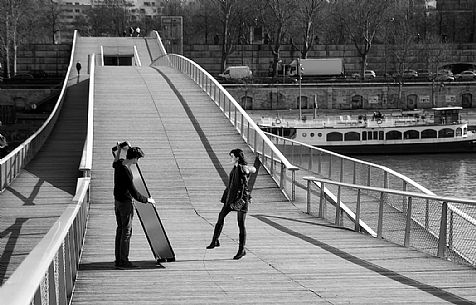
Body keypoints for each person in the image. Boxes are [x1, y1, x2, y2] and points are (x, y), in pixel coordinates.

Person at [206, 148, 256, 260]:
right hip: (230, 198)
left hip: (240, 200)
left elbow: (245, 184)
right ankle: (215, 241)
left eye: (232, 156)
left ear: (237, 157)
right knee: (221, 216)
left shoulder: (241, 168)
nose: (231, 158)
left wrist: (248, 197)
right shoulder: (237, 167)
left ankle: (241, 250)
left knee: (241, 224)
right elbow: (253, 170)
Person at [113, 142, 155, 268]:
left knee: (120, 230)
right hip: (125, 204)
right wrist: (148, 200)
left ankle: (119, 260)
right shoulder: (126, 171)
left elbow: (114, 162)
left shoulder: (120, 164)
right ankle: (124, 261)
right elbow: (134, 193)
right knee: (126, 232)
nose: (138, 161)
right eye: (138, 158)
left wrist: (120, 150)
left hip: (117, 202)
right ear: (135, 158)